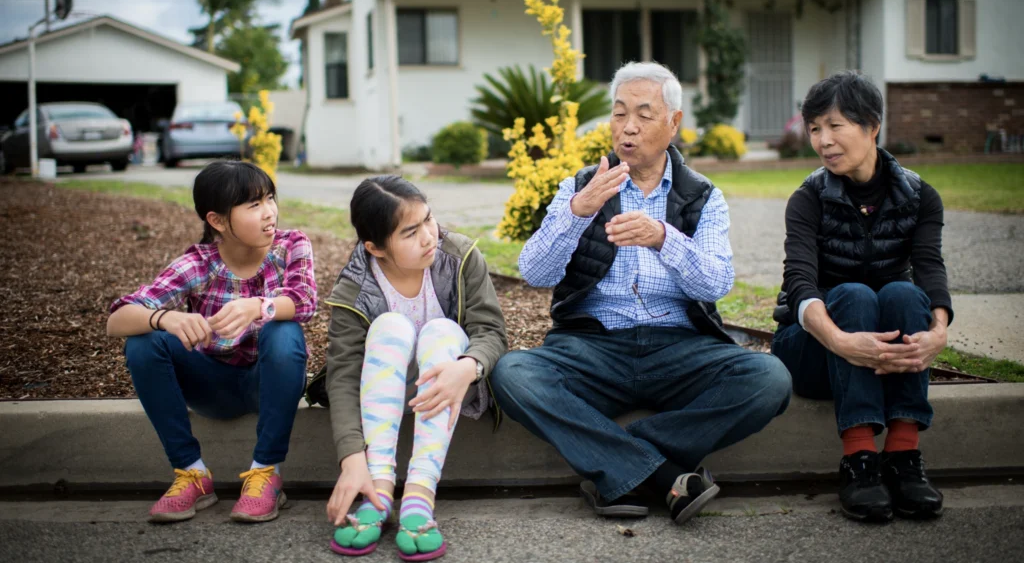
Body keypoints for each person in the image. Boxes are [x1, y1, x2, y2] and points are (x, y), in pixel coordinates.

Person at [489, 62, 792, 525]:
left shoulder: (703, 196)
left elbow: (716, 283)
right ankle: (667, 474)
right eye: (618, 114)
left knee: (769, 379)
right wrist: (576, 211)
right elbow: (534, 272)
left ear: (673, 123)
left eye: (644, 115)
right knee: (514, 373)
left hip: (680, 349)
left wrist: (663, 238)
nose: (627, 127)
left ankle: (621, 467)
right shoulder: (580, 186)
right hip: (592, 347)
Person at [771, 71, 950, 522]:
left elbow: (930, 267)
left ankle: (904, 454)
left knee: (905, 294)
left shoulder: (920, 197)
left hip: (885, 351)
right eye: (814, 128)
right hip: (812, 348)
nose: (823, 140)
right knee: (851, 294)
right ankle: (860, 460)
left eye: (835, 125)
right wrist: (840, 341)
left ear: (872, 126)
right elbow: (800, 283)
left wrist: (938, 331)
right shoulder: (807, 199)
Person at [107, 160, 317, 523]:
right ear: (218, 221)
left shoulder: (290, 246)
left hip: (269, 381)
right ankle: (191, 473)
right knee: (143, 341)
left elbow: (305, 301)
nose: (269, 213)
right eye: (253, 205)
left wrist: (258, 306)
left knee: (283, 329)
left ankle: (267, 473)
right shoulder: (198, 264)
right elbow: (117, 319)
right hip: (211, 386)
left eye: (270, 199)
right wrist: (166, 318)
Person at [323, 176, 507, 560]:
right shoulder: (354, 288)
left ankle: (420, 495)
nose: (428, 237)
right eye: (410, 232)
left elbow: (491, 332)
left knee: (441, 330)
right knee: (391, 326)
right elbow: (342, 377)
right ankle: (377, 489)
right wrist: (351, 457)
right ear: (375, 247)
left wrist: (468, 367)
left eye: (428, 219)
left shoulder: (460, 257)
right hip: (380, 391)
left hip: (451, 382)